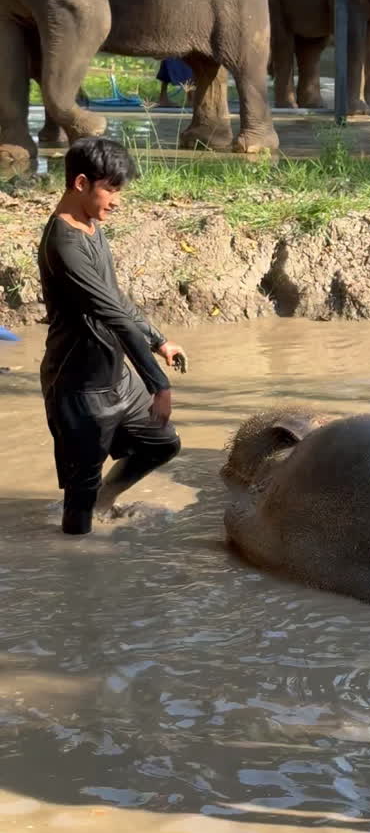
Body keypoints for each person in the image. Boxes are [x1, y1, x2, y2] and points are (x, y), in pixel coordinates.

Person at [38, 137, 186, 537]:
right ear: (81, 183)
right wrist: (160, 383)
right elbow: (114, 316)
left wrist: (158, 340)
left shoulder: (90, 225)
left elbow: (116, 296)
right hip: (80, 391)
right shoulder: (64, 245)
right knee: (78, 517)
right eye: (111, 188)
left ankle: (107, 499)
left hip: (116, 379)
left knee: (161, 444)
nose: (117, 200)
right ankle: (79, 574)